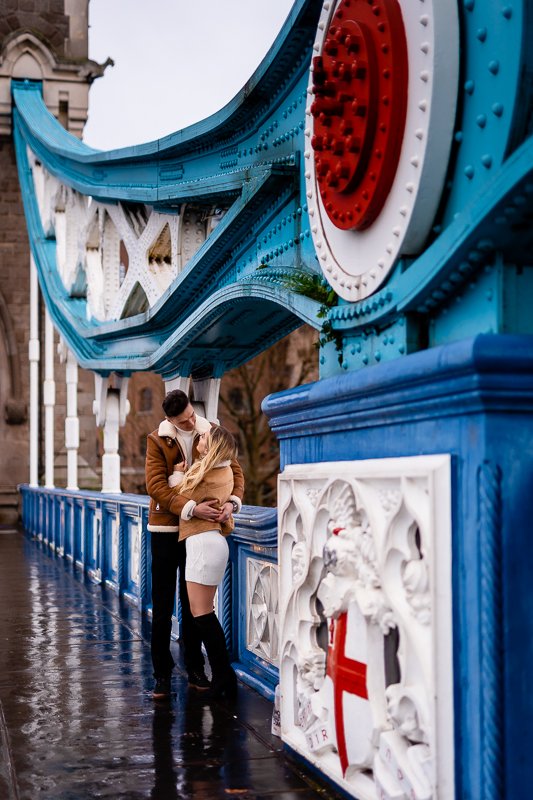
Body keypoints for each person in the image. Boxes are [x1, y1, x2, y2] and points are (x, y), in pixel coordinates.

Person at [145, 390, 244, 699]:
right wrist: (190, 507)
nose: (190, 422)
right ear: (169, 420)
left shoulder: (210, 430)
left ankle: (195, 668)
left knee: (193, 608)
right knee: (162, 606)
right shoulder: (157, 440)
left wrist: (233, 502)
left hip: (200, 532)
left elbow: (234, 470)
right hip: (166, 529)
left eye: (191, 415)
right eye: (182, 420)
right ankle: (161, 674)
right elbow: (156, 486)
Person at [170, 424, 239, 698]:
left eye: (205, 437)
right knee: (204, 613)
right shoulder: (223, 470)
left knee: (202, 616)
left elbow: (178, 494)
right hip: (213, 542)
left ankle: (224, 676)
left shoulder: (207, 474)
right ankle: (223, 675)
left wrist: (177, 472)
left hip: (201, 544)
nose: (200, 438)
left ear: (212, 447)